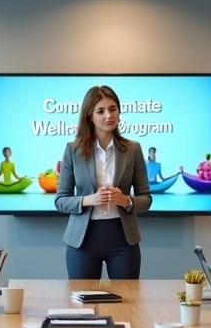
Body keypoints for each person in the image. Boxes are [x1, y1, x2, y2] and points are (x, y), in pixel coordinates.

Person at [55, 85, 153, 279]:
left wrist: (125, 200)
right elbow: (60, 201)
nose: (109, 115)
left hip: (123, 239)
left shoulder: (133, 149)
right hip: (83, 240)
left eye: (113, 109)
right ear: (89, 115)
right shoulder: (73, 150)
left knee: (127, 297)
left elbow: (146, 198)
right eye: (101, 111)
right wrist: (88, 200)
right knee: (83, 298)